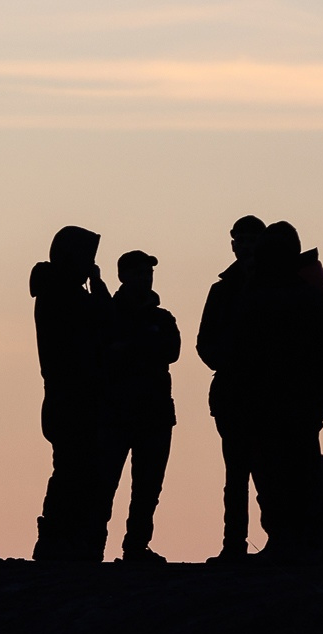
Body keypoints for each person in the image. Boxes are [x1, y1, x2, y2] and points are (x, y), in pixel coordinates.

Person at [246, 220, 323, 561]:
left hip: (284, 407)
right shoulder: (306, 298)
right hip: (287, 407)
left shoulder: (259, 298)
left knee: (283, 477)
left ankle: (295, 542)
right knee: (285, 478)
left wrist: (316, 407)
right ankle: (295, 542)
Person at [30, 225, 113, 562]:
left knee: (74, 470)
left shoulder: (56, 292)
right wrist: (99, 286)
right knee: (74, 471)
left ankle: (64, 537)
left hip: (69, 397)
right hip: (71, 397)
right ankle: (59, 538)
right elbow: (106, 321)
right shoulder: (63, 296)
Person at [96, 250, 180, 563]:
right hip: (116, 413)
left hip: (155, 414)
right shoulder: (107, 313)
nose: (146, 278)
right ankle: (94, 545)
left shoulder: (162, 317)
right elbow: (104, 352)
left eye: (148, 273)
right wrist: (143, 344)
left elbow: (172, 350)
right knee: (105, 485)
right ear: (124, 276)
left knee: (147, 490)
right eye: (139, 273)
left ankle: (135, 547)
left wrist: (129, 346)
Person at [195, 215, 268, 563]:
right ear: (234, 245)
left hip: (269, 396)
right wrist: (231, 361)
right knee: (236, 475)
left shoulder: (276, 287)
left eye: (254, 239)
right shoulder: (222, 290)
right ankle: (234, 544)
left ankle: (277, 542)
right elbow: (203, 343)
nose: (248, 246)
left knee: (269, 474)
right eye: (242, 240)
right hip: (232, 395)